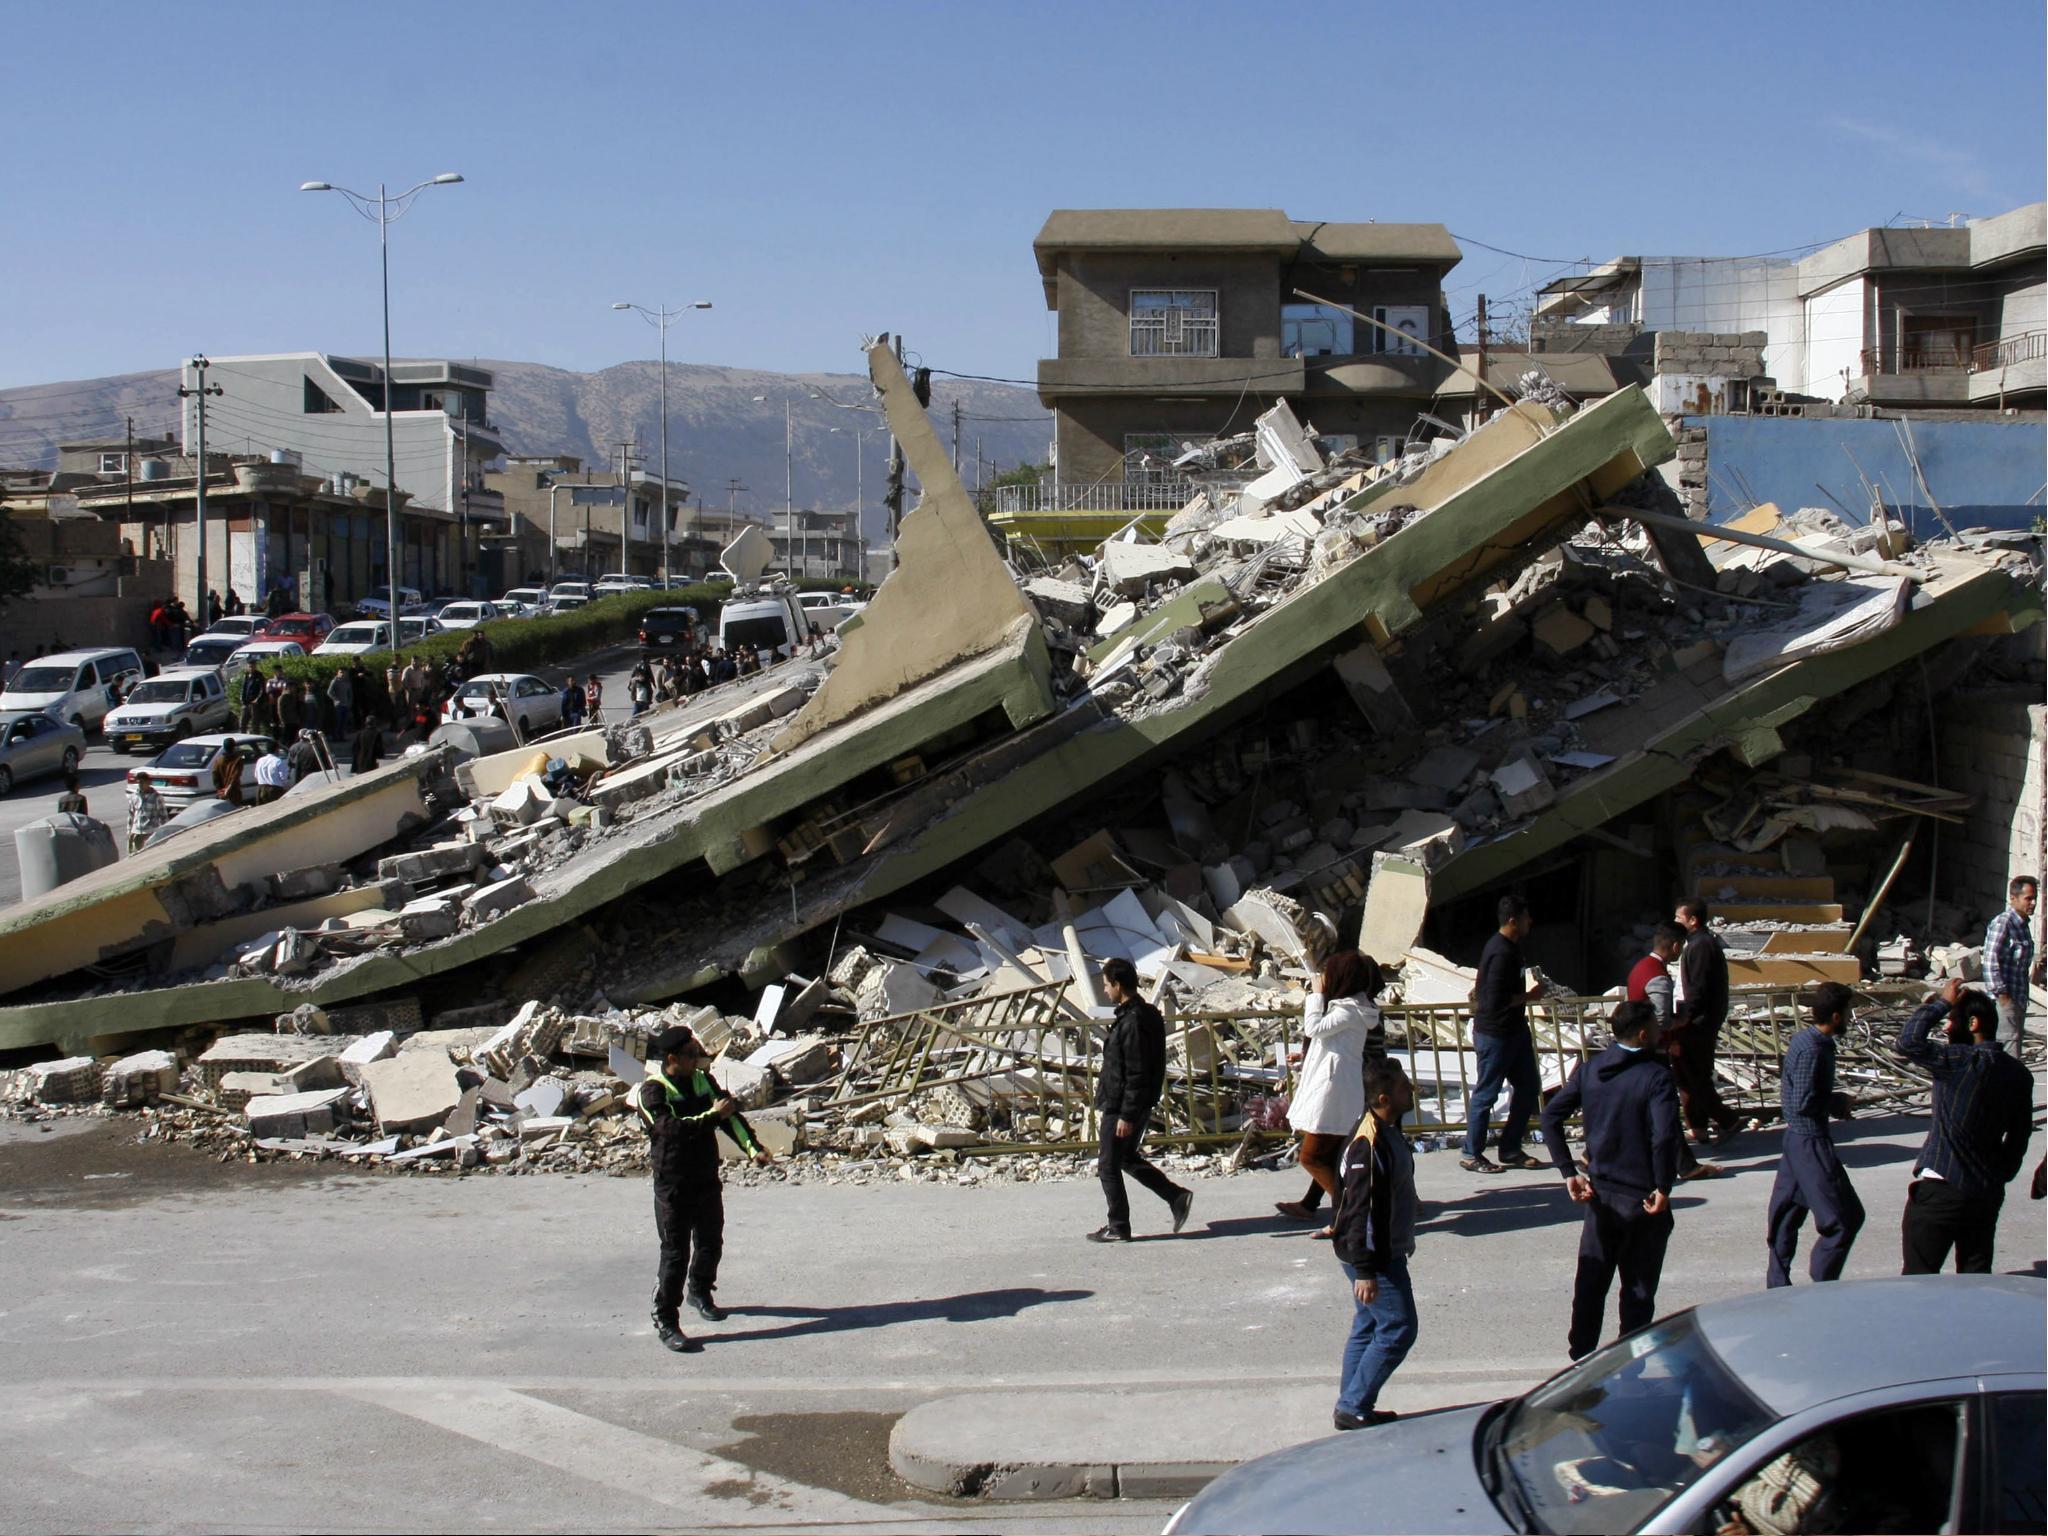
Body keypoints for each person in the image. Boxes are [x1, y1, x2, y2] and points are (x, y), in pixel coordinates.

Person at [1541, 999, 1681, 1360]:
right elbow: (1664, 1136)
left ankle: (1579, 1358)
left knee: (1591, 1283)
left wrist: (1568, 1171)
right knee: (1637, 1289)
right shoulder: (1656, 1076)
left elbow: (1550, 1118)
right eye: (1655, 1025)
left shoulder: (1590, 1071)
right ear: (1642, 1032)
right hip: (1643, 1198)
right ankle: (1627, 1361)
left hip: (1600, 1195)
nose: (1659, 1031)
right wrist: (1664, 1186)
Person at [637, 1025, 772, 1354]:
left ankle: (700, 1291)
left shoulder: (702, 1080)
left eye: (698, 1053)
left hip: (705, 1177)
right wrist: (712, 1115)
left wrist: (753, 1148)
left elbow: (730, 1117)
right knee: (674, 1254)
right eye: (691, 1054)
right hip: (673, 1184)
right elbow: (670, 1130)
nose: (698, 1059)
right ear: (672, 1058)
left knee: (711, 1241)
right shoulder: (653, 1091)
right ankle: (666, 1319)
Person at [1894, 979, 2033, 1274]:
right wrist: (1998, 1177)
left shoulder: (1958, 1061)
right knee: (1974, 1281)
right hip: (1985, 1194)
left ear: (1972, 1023)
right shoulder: (2017, 1073)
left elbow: (1908, 1042)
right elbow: (2019, 1135)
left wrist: (1941, 1002)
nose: (1945, 1029)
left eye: (1949, 1021)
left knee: (1918, 1284)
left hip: (1941, 1193)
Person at [1329, 1057, 1420, 1432]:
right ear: (1383, 1097)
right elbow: (1360, 1209)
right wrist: (1365, 1270)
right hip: (1373, 1255)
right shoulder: (1369, 1143)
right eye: (1403, 1087)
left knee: (1368, 1324)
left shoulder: (1387, 1129)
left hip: (1379, 1250)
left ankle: (1352, 1403)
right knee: (1399, 1326)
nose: (1410, 1089)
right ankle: (1353, 1405)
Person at [1277, 948, 1386, 1236]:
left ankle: (1353, 1211)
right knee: (1334, 1158)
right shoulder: (1353, 1009)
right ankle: (1341, 1215)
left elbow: (1313, 1027)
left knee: (1311, 1157)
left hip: (1333, 1091)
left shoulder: (1349, 1009)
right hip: (1337, 1086)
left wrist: (1315, 995)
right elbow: (1333, 1043)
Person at [1087, 956, 1195, 1243]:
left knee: (1108, 1165)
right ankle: (1175, 1196)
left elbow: (1136, 1071)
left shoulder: (1134, 1021)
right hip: (1128, 1102)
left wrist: (1126, 1114)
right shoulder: (1140, 1014)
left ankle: (1119, 1225)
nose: (1106, 991)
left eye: (1107, 985)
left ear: (1118, 985)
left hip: (1122, 1105)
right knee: (1125, 1158)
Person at [1765, 983, 1864, 1288]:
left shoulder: (1807, 1041)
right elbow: (1802, 1102)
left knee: (1786, 1216)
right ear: (1835, 1016)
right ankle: (1823, 1284)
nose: (1850, 1017)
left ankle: (1777, 1285)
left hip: (1798, 1140)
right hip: (1809, 1142)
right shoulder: (1812, 1049)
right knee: (1844, 1218)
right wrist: (1838, 1102)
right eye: (1847, 1012)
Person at [1628, 922, 1725, 1183]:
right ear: (1674, 945)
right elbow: (1660, 1019)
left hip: (1641, 1049)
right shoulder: (1658, 976)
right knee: (1666, 1108)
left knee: (1642, 1109)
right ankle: (1686, 1165)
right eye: (1679, 946)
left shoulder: (1640, 968)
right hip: (1654, 1051)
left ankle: (1594, 1152)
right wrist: (1677, 1023)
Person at [1461, 895, 1547, 1174]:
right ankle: (1471, 1153)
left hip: (1514, 1031)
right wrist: (1530, 996)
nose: (1529, 922)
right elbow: (1493, 1000)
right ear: (1513, 920)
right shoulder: (1500, 952)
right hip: (1496, 1034)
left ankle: (1510, 1148)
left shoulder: (1510, 948)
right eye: (1525, 917)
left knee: (1529, 1087)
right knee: (1487, 1094)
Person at [1673, 899, 1741, 1143]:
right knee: (1691, 1074)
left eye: (1679, 917)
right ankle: (1699, 1125)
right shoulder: (1697, 943)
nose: (1675, 922)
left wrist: (1684, 1018)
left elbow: (1698, 989)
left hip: (1699, 1023)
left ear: (1693, 920)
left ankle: (1726, 1119)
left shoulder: (1700, 946)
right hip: (1699, 1020)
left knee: (1694, 1075)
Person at [1982, 875, 2039, 1049]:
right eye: (2028, 898)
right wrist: (2003, 996)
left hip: (2017, 998)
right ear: (2013, 898)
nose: (2034, 903)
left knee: (2012, 1047)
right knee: (2008, 1051)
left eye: (2035, 898)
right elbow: (1990, 962)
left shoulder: (2022, 925)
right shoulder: (2003, 923)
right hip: (2005, 1001)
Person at [126, 771, 168, 852]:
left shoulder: (156, 797)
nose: (140, 785)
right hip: (136, 832)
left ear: (148, 782)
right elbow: (131, 814)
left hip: (150, 832)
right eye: (138, 783)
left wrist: (164, 832)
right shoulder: (134, 796)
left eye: (142, 782)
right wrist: (129, 830)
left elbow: (163, 817)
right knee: (134, 855)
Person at [212, 740, 246, 805]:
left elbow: (215, 776)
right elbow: (235, 777)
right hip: (234, 792)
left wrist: (220, 789)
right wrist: (227, 790)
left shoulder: (218, 761)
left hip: (222, 793)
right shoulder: (237, 760)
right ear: (233, 748)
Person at [326, 666, 354, 737]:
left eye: (344, 672)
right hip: (338, 705)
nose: (342, 674)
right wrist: (336, 699)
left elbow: (350, 693)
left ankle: (341, 736)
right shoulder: (335, 681)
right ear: (338, 673)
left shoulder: (347, 682)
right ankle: (335, 736)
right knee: (338, 722)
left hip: (346, 704)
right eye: (341, 672)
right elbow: (329, 692)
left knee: (344, 722)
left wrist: (349, 702)